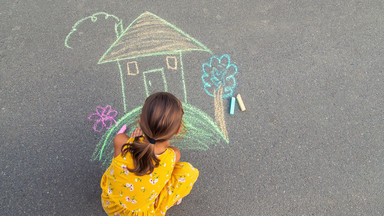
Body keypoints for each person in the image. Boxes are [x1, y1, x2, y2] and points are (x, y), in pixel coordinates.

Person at [100, 92, 199, 215]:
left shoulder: (121, 142)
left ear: (140, 121)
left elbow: (119, 162)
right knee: (187, 172)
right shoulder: (173, 156)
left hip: (112, 207)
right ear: (178, 130)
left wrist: (133, 142)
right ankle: (172, 199)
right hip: (143, 213)